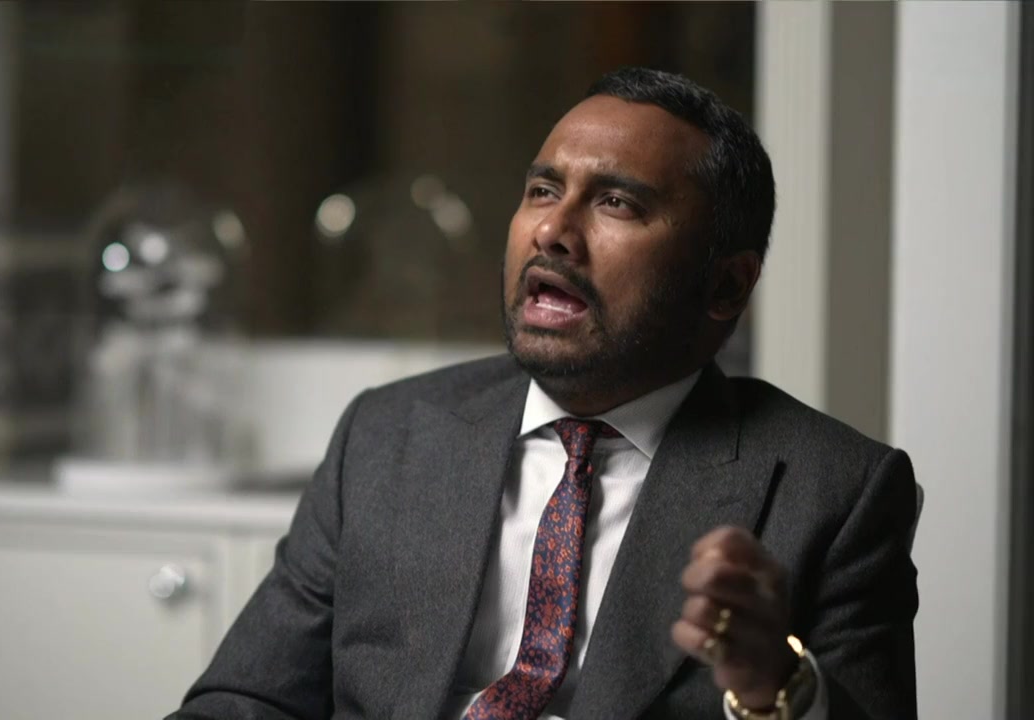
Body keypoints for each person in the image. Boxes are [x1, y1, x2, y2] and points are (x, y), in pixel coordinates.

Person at [168, 67, 918, 720]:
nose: (553, 230)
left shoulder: (835, 491)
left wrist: (778, 688)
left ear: (725, 285)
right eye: (542, 190)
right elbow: (248, 699)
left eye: (616, 203)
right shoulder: (387, 433)